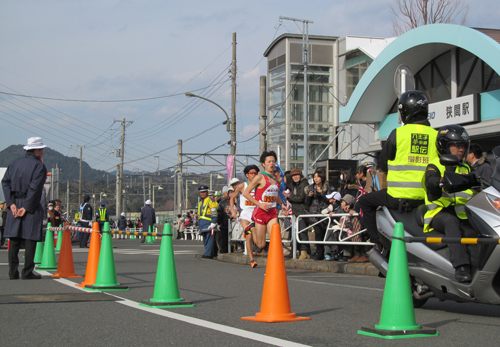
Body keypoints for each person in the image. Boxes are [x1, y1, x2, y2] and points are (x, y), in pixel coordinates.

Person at [358, 90, 439, 250]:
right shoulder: (436, 135)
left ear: (405, 112)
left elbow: (383, 164)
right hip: (426, 197)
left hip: (397, 196)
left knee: (364, 201)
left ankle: (376, 242)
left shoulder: (398, 134)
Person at [423, 124, 479, 282]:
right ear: (444, 147)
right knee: (451, 222)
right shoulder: (435, 165)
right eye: (457, 146)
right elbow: (430, 180)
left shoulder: (466, 168)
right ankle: (461, 267)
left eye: (463, 146)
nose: (461, 149)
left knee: (472, 230)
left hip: (463, 214)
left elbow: (478, 183)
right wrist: (439, 182)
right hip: (439, 214)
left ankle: (478, 269)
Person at [2, 136, 47, 280]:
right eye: (42, 150)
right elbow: (35, 189)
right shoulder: (39, 166)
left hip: (14, 204)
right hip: (30, 205)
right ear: (37, 151)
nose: (43, 152)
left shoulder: (14, 163)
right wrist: (26, 207)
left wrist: (11, 203)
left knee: (14, 238)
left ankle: (12, 271)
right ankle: (27, 271)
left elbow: (5, 182)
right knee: (30, 238)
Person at [243, 151, 287, 268]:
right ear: (263, 164)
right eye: (269, 162)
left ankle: (275, 266)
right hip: (260, 212)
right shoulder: (260, 177)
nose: (271, 164)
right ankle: (251, 229)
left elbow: (275, 193)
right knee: (261, 244)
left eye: (273, 161)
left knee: (275, 239)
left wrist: (281, 204)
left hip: (272, 212)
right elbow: (246, 193)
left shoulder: (277, 178)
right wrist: (259, 204)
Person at [229, 166, 260, 266]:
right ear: (247, 175)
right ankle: (252, 260)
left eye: (256, 173)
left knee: (257, 240)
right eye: (252, 173)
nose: (254, 175)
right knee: (249, 237)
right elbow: (232, 197)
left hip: (256, 213)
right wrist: (233, 211)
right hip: (245, 214)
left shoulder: (259, 185)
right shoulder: (242, 186)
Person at [304, 168, 332, 260]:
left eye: (318, 177)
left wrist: (322, 194)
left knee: (325, 233)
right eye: (314, 177)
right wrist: (309, 196)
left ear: (322, 178)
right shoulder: (310, 188)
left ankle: (326, 253)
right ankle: (319, 253)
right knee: (318, 233)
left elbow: (329, 200)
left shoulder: (327, 187)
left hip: (325, 213)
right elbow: (307, 203)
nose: (316, 179)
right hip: (314, 215)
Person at [286, 168, 311, 259]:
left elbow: (301, 198)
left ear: (301, 175)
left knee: (302, 232)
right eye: (293, 176)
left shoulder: (304, 184)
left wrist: (290, 196)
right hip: (297, 212)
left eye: (297, 175)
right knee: (299, 232)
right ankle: (305, 251)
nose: (295, 177)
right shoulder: (295, 185)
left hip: (302, 211)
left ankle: (304, 252)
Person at [197, 185, 218, 259]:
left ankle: (208, 253)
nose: (202, 193)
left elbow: (214, 212)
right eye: (201, 192)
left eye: (204, 192)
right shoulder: (200, 202)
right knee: (205, 239)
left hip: (209, 223)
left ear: (207, 192)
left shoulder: (210, 201)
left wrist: (214, 222)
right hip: (202, 223)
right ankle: (208, 252)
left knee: (209, 239)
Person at [216, 186, 231, 254]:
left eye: (227, 193)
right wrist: (219, 223)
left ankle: (232, 249)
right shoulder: (222, 203)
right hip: (224, 224)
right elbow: (219, 214)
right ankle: (224, 250)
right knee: (224, 238)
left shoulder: (234, 200)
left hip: (232, 223)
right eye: (224, 193)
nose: (226, 195)